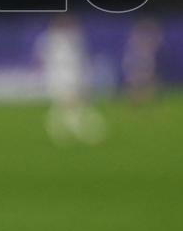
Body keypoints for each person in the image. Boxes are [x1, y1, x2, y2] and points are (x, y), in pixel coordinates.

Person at [34, 15, 105, 145]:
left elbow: (79, 59)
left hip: (71, 76)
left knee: (67, 105)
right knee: (69, 104)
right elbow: (42, 58)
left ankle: (60, 131)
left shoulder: (73, 38)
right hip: (59, 78)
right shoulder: (50, 39)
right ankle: (79, 130)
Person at [122, 18, 164, 103]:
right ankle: (136, 99)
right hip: (136, 59)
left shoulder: (150, 38)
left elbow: (158, 40)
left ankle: (146, 99)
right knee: (134, 80)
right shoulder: (135, 37)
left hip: (145, 59)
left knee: (148, 79)